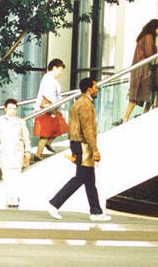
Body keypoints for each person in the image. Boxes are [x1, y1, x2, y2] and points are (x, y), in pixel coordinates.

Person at [47, 78, 111, 221]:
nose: (97, 89)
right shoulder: (85, 104)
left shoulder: (81, 102)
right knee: (81, 177)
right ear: (89, 89)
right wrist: (95, 149)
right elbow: (87, 128)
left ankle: (96, 211)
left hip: (78, 143)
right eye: (95, 87)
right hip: (83, 144)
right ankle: (54, 203)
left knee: (89, 179)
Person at [115, 19, 158, 125]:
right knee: (147, 92)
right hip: (144, 69)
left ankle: (127, 117)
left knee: (138, 93)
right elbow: (150, 53)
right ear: (154, 27)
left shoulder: (144, 36)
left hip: (139, 67)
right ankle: (134, 116)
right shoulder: (149, 37)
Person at [0, 98, 31, 208]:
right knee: (7, 176)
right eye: (10, 108)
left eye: (14, 109)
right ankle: (10, 197)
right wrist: (0, 147)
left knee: (16, 175)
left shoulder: (21, 122)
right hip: (5, 152)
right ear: (5, 108)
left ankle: (15, 198)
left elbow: (26, 137)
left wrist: (27, 150)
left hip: (18, 152)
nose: (12, 111)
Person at [33, 59, 69, 161]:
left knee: (62, 127)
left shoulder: (52, 79)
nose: (61, 73)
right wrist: (58, 103)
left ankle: (48, 143)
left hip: (51, 109)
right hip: (46, 109)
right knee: (45, 133)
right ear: (54, 68)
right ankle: (39, 153)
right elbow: (49, 95)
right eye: (60, 70)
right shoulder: (48, 78)